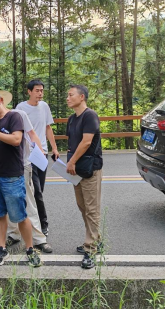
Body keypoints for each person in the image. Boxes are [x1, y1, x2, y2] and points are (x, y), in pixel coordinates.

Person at [0, 90, 42, 268]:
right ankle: (2, 248)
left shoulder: (14, 117)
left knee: (20, 216)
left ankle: (30, 249)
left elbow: (16, 139)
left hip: (13, 176)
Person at [66, 84, 104, 270]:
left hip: (90, 168)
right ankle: (96, 240)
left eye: (71, 95)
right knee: (83, 206)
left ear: (82, 97)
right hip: (76, 169)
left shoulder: (90, 115)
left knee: (91, 208)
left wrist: (72, 161)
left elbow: (86, 142)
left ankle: (91, 249)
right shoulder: (72, 119)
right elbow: (72, 143)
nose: (67, 98)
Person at [7, 109, 54, 254]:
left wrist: (40, 154)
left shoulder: (19, 114)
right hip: (5, 167)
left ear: (0, 101)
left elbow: (32, 134)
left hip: (23, 165)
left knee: (30, 202)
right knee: (10, 202)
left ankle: (39, 239)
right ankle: (13, 234)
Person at [16, 79, 59, 237]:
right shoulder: (21, 108)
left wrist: (54, 148)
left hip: (42, 153)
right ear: (29, 92)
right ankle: (43, 224)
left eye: (42, 90)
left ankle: (33, 222)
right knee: (36, 191)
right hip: (28, 155)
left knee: (39, 190)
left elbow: (48, 128)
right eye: (37, 90)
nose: (40, 93)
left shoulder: (44, 106)